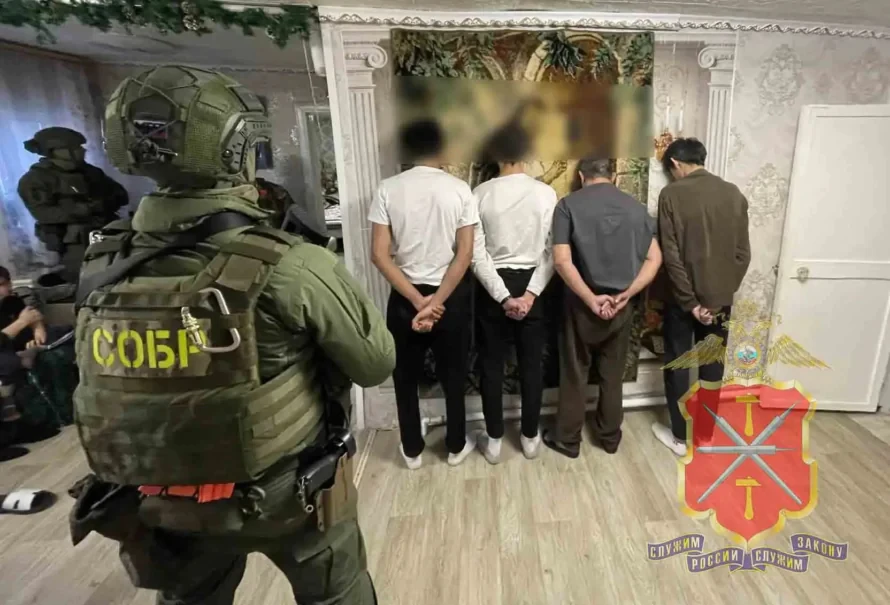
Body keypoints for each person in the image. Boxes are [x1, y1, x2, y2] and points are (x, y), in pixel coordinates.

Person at [68, 66, 394, 605]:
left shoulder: (101, 264)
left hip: (160, 497)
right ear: (239, 147)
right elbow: (375, 363)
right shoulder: (292, 265)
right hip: (287, 494)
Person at [369, 120, 478, 470]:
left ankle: (412, 450)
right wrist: (437, 302)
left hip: (406, 299)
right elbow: (465, 254)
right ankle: (456, 446)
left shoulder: (388, 189)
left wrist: (418, 302)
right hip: (450, 299)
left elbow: (379, 255)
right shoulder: (460, 190)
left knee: (405, 377)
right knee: (454, 375)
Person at [543, 159, 662, 458]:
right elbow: (655, 259)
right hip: (622, 306)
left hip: (580, 305)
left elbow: (561, 261)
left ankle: (568, 440)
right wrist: (626, 294)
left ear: (581, 176)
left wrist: (589, 298)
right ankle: (610, 437)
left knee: (574, 372)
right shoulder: (636, 209)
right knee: (612, 374)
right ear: (614, 176)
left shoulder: (567, 206)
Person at [653, 138, 750, 456]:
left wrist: (691, 303)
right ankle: (706, 437)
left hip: (682, 301)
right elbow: (742, 255)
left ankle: (680, 439)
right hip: (719, 301)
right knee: (712, 365)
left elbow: (671, 256)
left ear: (675, 163)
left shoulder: (671, 194)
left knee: (679, 365)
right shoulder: (733, 193)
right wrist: (717, 298)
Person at [470, 126, 557, 463]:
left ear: (495, 155)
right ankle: (530, 436)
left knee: (491, 366)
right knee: (532, 365)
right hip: (535, 284)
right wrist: (530, 295)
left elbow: (477, 256)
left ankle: (494, 441)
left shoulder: (480, 193)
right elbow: (553, 252)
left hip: (493, 287)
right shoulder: (546, 194)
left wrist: (503, 297)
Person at [17, 127, 129, 285]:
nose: (82, 150)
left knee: (118, 275)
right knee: (81, 281)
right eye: (75, 147)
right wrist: (85, 209)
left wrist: (103, 203)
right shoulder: (35, 179)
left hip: (107, 233)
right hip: (70, 243)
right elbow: (44, 214)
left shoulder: (91, 172)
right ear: (56, 151)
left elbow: (121, 195)